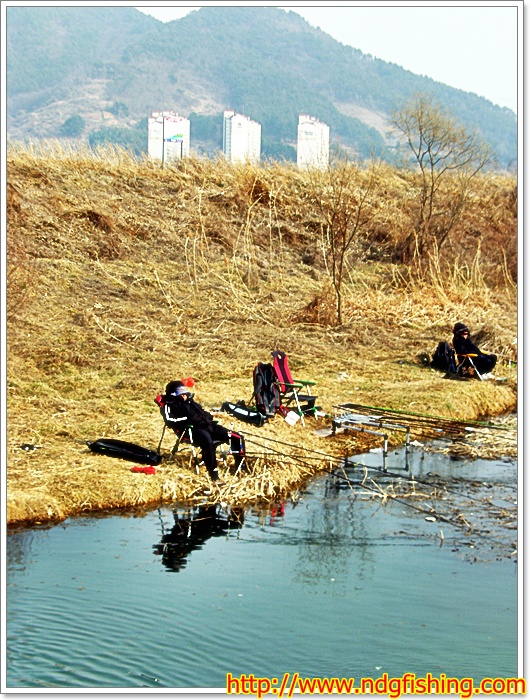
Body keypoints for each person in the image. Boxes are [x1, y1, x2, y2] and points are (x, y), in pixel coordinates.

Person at [162, 380, 246, 482]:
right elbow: (170, 421)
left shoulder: (190, 401)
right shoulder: (170, 405)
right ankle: (213, 474)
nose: (184, 395)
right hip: (193, 430)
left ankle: (241, 467)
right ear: (173, 394)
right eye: (181, 393)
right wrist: (189, 420)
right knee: (207, 442)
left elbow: (202, 413)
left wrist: (209, 415)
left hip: (209, 426)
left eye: (184, 392)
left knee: (237, 437)